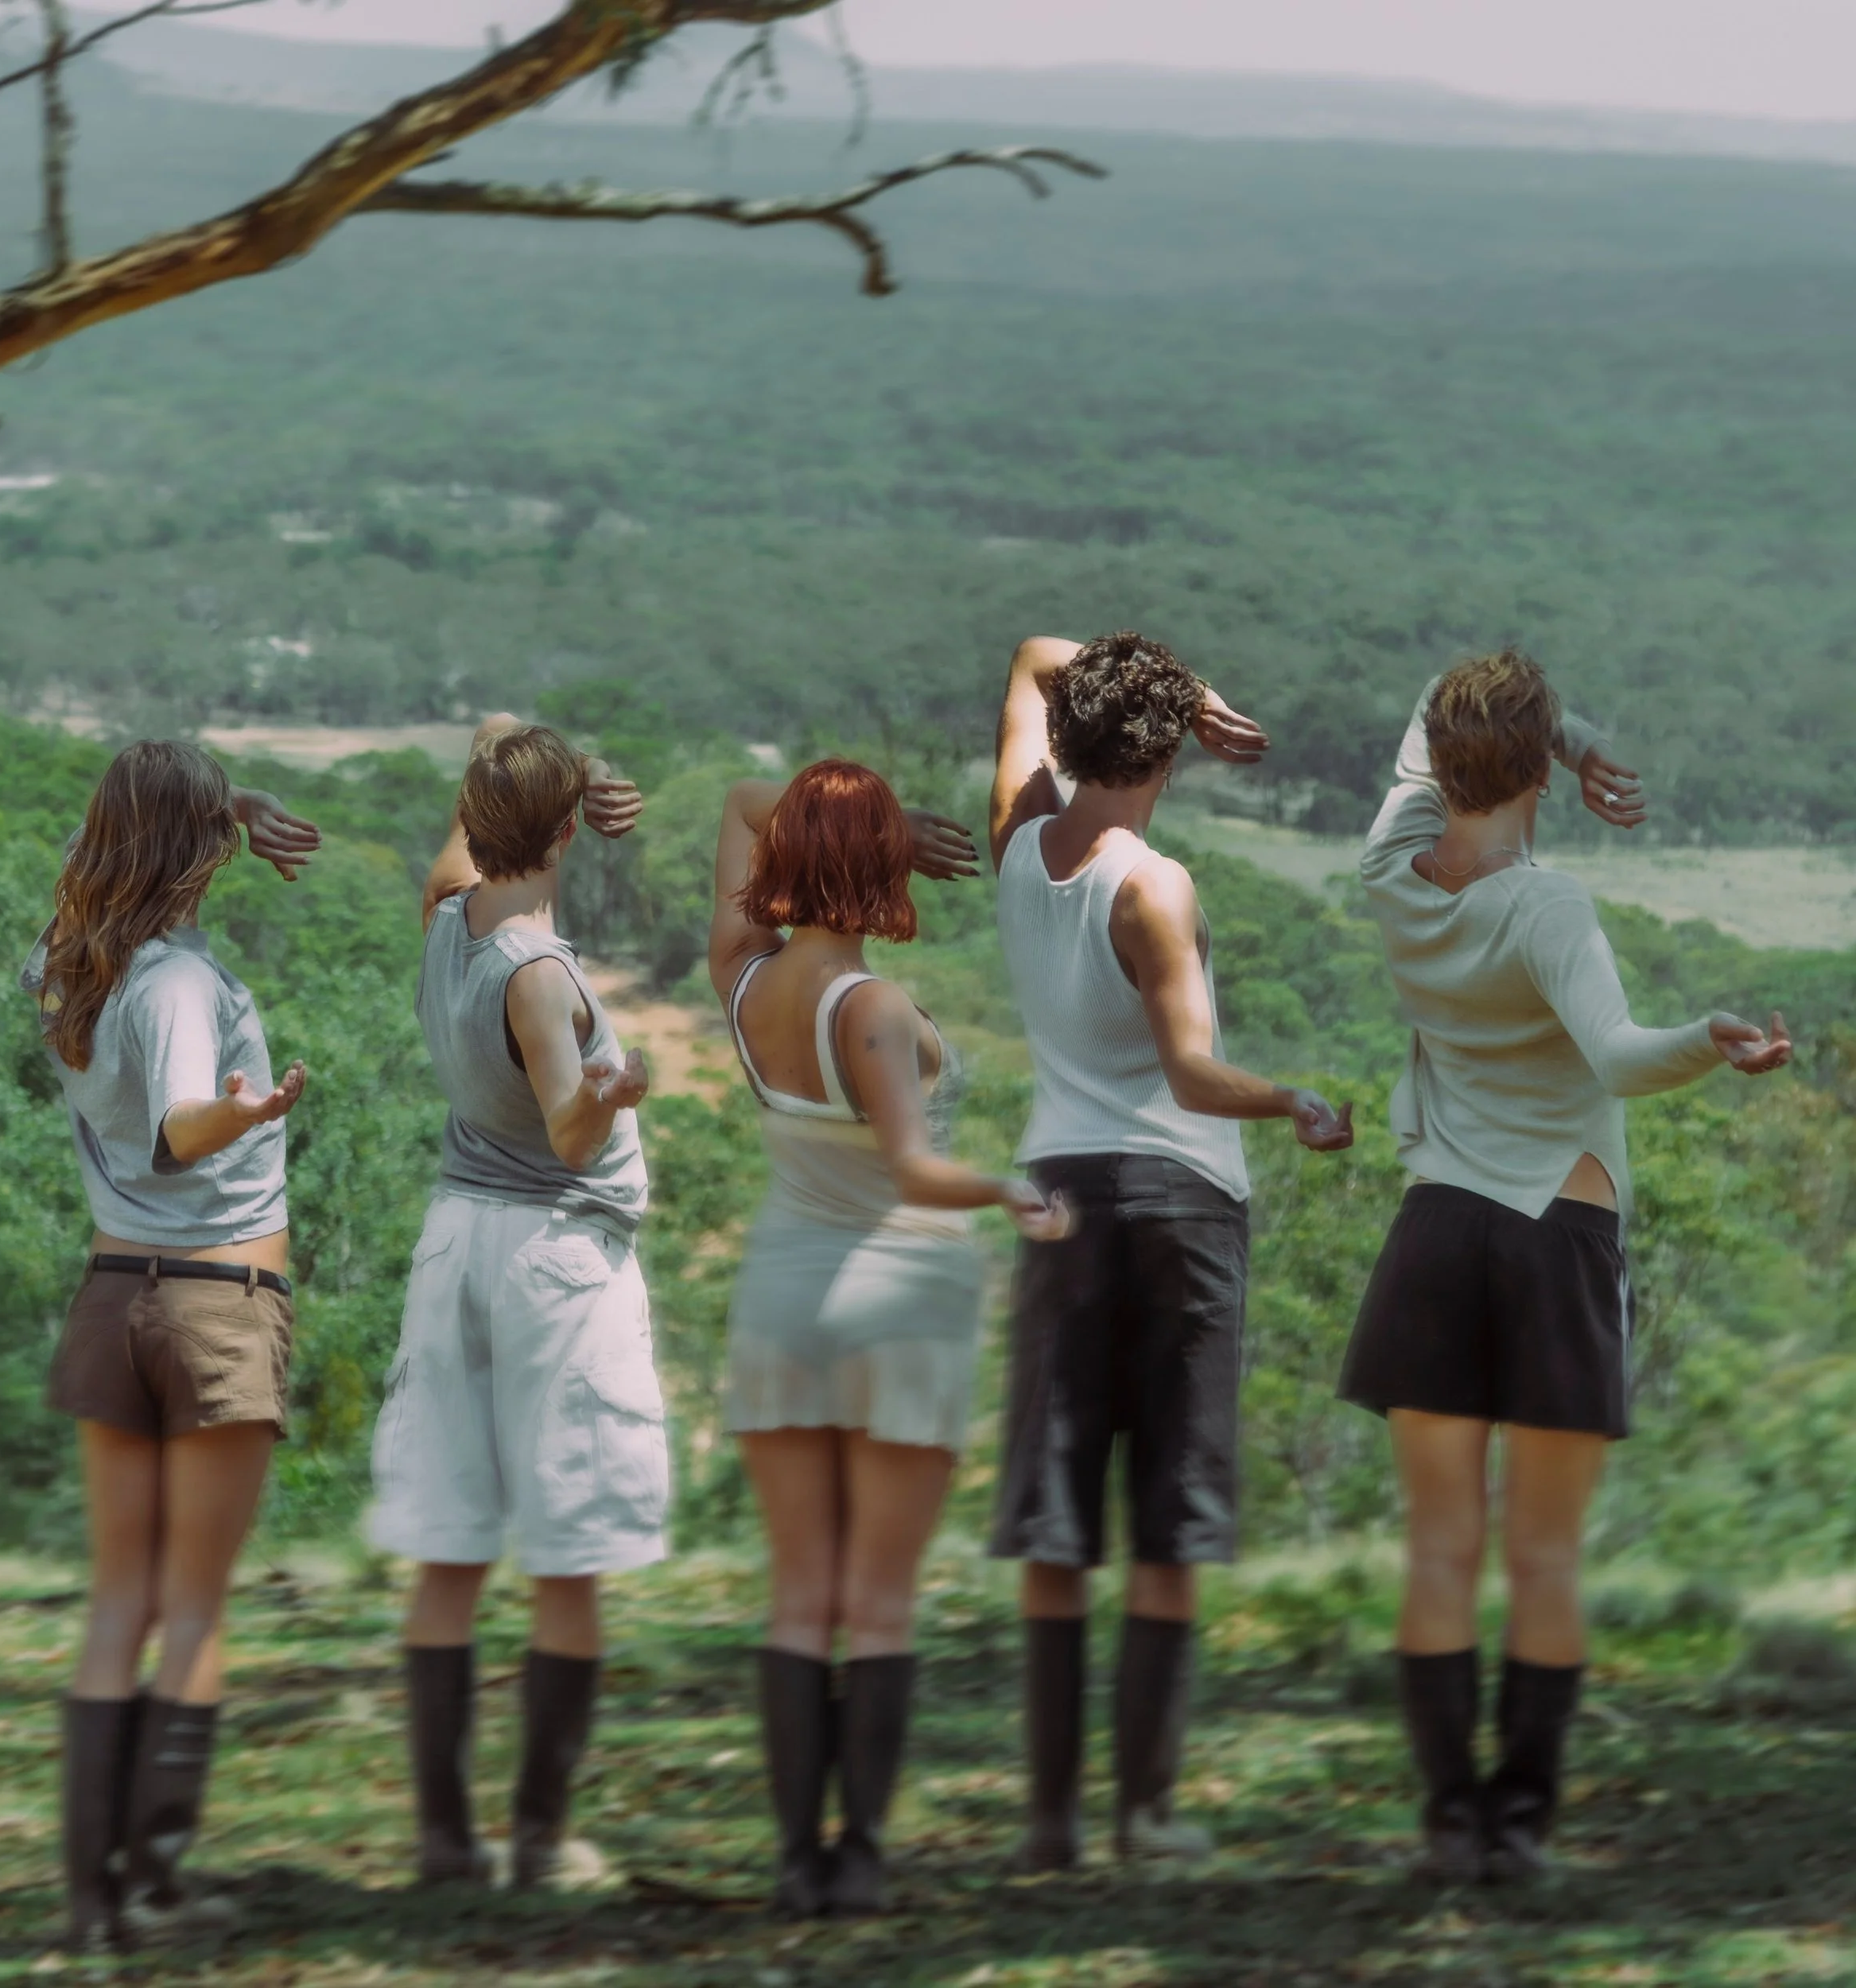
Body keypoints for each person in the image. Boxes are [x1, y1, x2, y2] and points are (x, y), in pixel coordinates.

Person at [1338, 650, 1792, 1881]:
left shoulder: (1392, 868)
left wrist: (1563, 744)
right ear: (1536, 768)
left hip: (1435, 1233)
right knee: (1542, 1558)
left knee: (1439, 1550)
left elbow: (1438, 687)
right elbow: (1621, 1055)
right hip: (1557, 1236)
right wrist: (1715, 1038)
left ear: (1434, 760)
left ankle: (1448, 1825)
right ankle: (1520, 1828)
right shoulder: (1547, 908)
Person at [987, 631, 1354, 1873]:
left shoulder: (1016, 840)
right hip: (1176, 1205)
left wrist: (1173, 692)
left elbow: (1037, 651)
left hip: (1057, 1193)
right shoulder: (1154, 885)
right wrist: (1294, 1097)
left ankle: (1046, 1820)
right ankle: (1142, 1814)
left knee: (1056, 1511)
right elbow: (1194, 1075)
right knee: (1169, 1516)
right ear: (1167, 753)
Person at [707, 761, 1070, 1917]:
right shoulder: (866, 1004)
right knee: (879, 1600)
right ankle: (857, 1853)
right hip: (897, 1297)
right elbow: (914, 1165)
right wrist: (1013, 1191)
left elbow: (735, 798)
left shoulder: (744, 980)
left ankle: (789, 1856)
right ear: (880, 865)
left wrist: (844, 825)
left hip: (781, 1298)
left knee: (799, 1590)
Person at [26, 744, 320, 1951]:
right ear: (199, 849)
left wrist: (221, 807)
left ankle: (91, 1902)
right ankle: (153, 1887)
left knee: (118, 1602)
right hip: (214, 1309)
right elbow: (183, 1122)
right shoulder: (179, 984)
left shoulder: (68, 965)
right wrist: (241, 1114)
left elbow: (89, 874)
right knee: (193, 1608)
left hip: (114, 1296)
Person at [366, 716, 663, 1892]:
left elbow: (494, 738)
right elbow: (569, 1126)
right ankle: (541, 1836)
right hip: (553, 1259)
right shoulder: (536, 970)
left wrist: (565, 768)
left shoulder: (449, 911)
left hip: (458, 1247)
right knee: (565, 1555)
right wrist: (615, 1083)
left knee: (450, 1551)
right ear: (570, 828)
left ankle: (447, 1839)